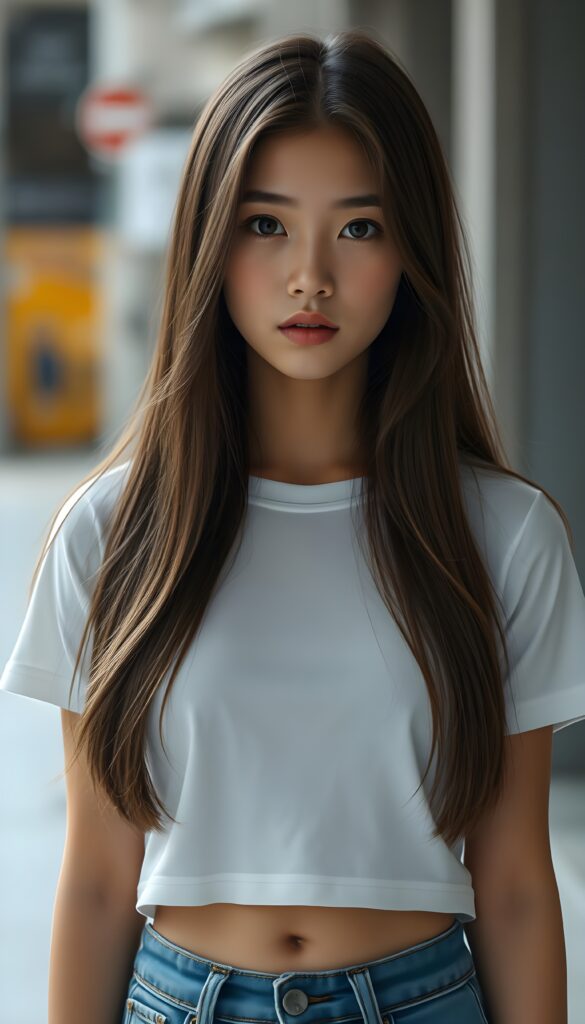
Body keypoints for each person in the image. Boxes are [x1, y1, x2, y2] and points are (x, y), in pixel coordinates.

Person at [1, 28, 583, 1024]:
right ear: (209, 243)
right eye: (266, 224)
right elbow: (97, 878)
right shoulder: (113, 531)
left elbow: (517, 882)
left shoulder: (502, 534)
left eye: (358, 228)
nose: (309, 275)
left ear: (411, 252)